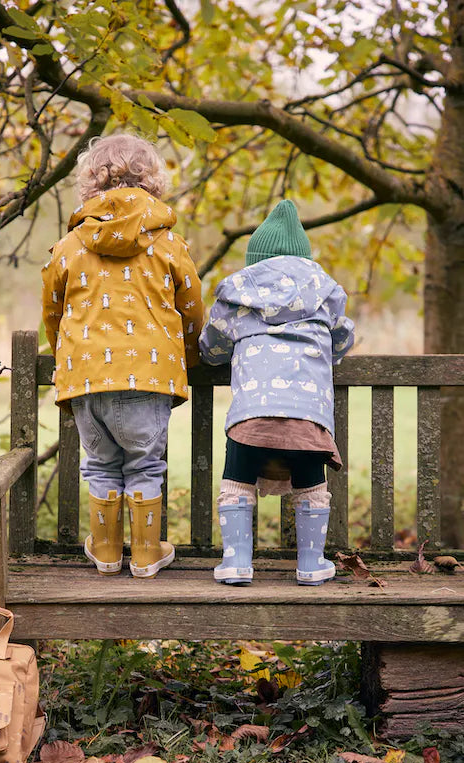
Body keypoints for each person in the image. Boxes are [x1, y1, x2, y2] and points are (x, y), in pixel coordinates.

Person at [42, 133, 204, 579]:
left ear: (89, 182)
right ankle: (147, 555)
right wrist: (186, 357)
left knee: (100, 466)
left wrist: (64, 358)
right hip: (148, 378)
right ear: (153, 180)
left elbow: (52, 312)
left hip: (85, 380)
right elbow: (191, 309)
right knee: (146, 463)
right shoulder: (170, 243)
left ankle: (109, 553)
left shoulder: (70, 246)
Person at [199, 199, 355, 586]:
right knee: (310, 483)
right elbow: (342, 339)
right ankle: (311, 563)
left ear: (256, 260)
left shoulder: (239, 295)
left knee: (237, 479)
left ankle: (236, 561)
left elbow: (211, 348)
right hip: (308, 416)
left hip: (251, 414)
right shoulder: (323, 292)